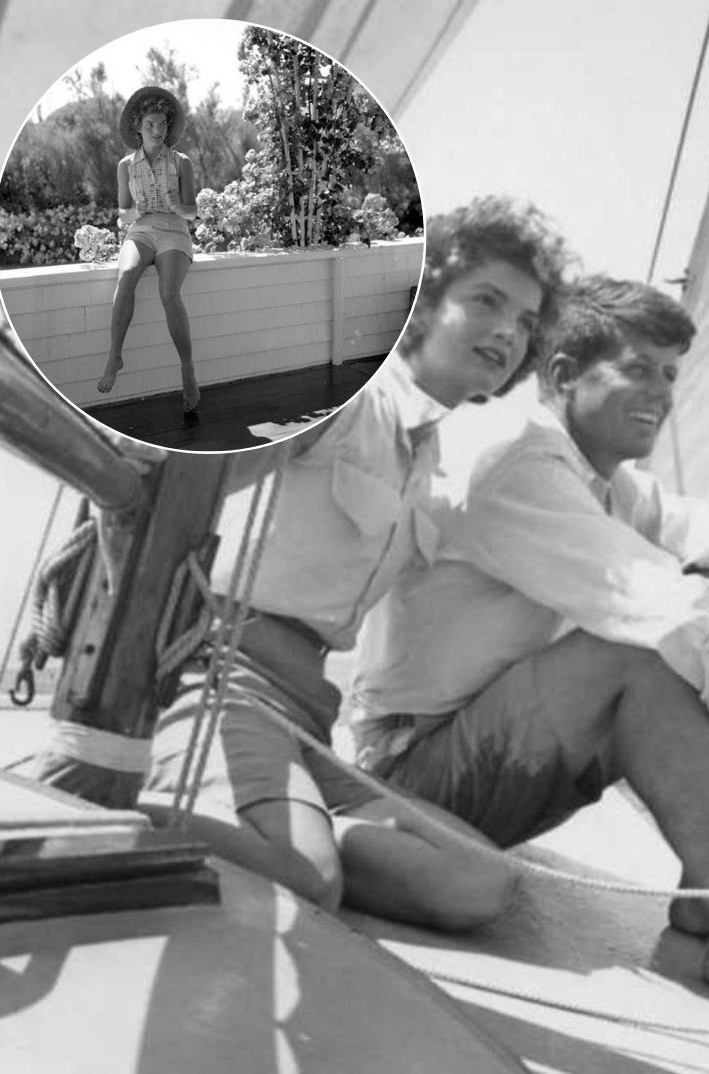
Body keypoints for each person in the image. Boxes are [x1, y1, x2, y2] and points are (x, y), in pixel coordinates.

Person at [350, 275, 709, 1059]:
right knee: (647, 646)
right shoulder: (513, 461)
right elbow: (660, 607)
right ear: (563, 374)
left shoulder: (614, 488)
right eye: (638, 368)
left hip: (495, 769)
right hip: (409, 779)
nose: (661, 391)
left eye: (670, 373)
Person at [143, 196, 572, 928]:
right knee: (305, 882)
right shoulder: (337, 398)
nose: (509, 330)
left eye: (527, 322)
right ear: (423, 300)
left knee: (476, 884)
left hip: (308, 712)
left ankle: (295, 830)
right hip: (221, 678)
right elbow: (169, 480)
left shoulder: (430, 461)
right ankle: (142, 803)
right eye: (486, 301)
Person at [97, 87, 201, 413]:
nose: (158, 130)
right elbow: (122, 215)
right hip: (140, 230)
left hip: (174, 232)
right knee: (126, 275)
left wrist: (177, 206)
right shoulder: (126, 166)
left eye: (162, 124)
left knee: (168, 292)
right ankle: (115, 355)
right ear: (138, 128)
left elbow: (192, 211)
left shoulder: (181, 162)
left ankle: (187, 369)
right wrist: (135, 211)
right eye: (150, 125)